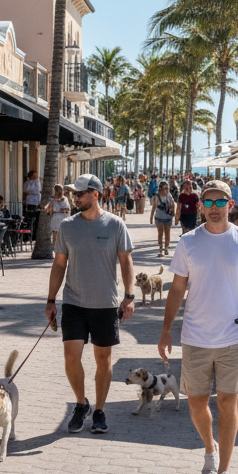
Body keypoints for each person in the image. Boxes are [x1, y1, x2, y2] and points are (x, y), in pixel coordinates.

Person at [159, 179, 238, 474]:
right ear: (201, 205)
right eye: (210, 202)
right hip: (195, 336)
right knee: (196, 404)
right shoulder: (189, 242)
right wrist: (165, 330)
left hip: (234, 336)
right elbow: (177, 289)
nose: (215, 208)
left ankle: (224, 471)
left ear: (231, 206)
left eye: (222, 202)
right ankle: (210, 448)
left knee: (228, 402)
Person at [46, 174, 135, 436]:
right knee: (71, 356)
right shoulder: (67, 226)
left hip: (105, 304)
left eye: (80, 193)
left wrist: (129, 296)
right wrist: (51, 300)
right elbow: (59, 264)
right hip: (73, 302)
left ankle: (99, 410)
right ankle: (81, 403)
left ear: (95, 194)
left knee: (103, 359)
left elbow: (127, 261)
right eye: (74, 193)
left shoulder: (116, 225)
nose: (76, 197)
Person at [153, 181, 176, 255]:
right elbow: (154, 207)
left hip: (168, 218)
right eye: (164, 188)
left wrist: (174, 213)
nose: (166, 190)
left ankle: (166, 248)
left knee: (167, 233)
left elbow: (173, 204)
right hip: (159, 218)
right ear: (160, 189)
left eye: (167, 188)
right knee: (160, 233)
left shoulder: (170, 196)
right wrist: (151, 217)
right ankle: (160, 249)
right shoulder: (157, 196)